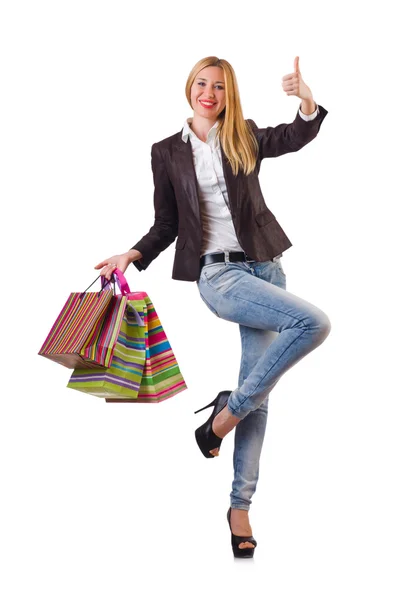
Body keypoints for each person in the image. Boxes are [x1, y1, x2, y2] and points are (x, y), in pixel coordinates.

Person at [94, 55, 331, 558]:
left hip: (266, 267)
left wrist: (306, 100)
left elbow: (296, 135)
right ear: (190, 87)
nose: (209, 93)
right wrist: (132, 254)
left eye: (220, 87)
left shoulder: (243, 134)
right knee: (313, 323)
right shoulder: (165, 152)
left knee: (259, 389)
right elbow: (165, 223)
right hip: (219, 275)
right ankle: (223, 417)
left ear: (230, 94)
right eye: (202, 83)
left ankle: (239, 507)